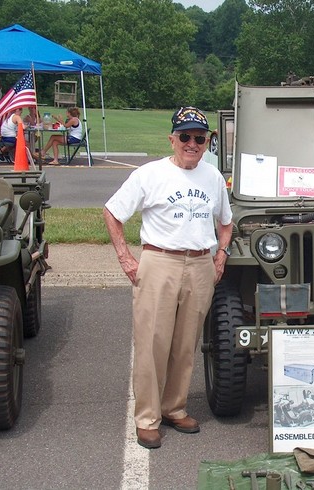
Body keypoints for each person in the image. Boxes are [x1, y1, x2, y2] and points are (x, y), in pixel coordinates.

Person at [103, 106, 233, 449]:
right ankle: (147, 418)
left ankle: (175, 407)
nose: (192, 143)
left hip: (200, 265)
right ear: (172, 139)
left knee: (186, 344)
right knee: (152, 344)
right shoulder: (150, 174)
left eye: (200, 138)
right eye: (185, 136)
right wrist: (126, 258)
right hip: (160, 261)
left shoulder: (213, 177)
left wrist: (221, 253)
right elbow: (113, 212)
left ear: (208, 142)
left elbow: (225, 220)